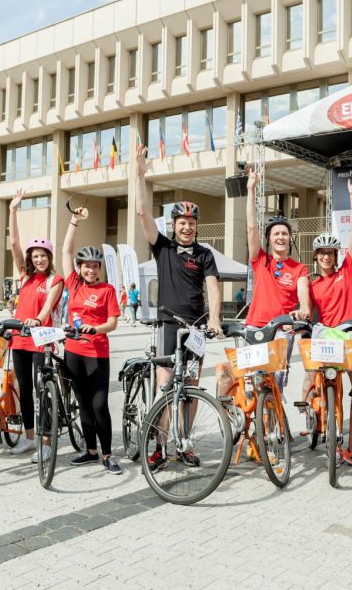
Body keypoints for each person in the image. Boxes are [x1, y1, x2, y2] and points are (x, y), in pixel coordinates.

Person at [134, 145, 221, 470]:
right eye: (181, 222)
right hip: (168, 326)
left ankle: (185, 443)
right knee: (165, 387)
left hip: (195, 328)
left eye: (191, 222)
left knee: (192, 387)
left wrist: (213, 318)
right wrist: (140, 175)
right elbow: (142, 214)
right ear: (173, 225)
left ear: (196, 225)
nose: (186, 227)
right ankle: (160, 445)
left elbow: (212, 285)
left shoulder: (204, 254)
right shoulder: (164, 248)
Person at [306, 172, 352, 471]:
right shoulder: (309, 284)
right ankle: (329, 437)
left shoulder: (347, 271)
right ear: (316, 256)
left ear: (336, 255)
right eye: (321, 253)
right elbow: (304, 311)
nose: (326, 257)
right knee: (326, 395)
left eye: (330, 253)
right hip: (327, 344)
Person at [60, 207, 122, 474]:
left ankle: (108, 454)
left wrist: (95, 329)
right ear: (80, 267)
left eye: (95, 267)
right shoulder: (73, 284)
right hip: (72, 352)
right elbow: (65, 252)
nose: (91, 271)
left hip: (97, 353)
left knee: (99, 404)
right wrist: (74, 221)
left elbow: (113, 323)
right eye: (87, 266)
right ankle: (91, 451)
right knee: (83, 404)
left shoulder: (106, 290)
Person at [7, 187, 65, 461]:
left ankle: (46, 442)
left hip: (41, 339)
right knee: (25, 390)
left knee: (43, 391)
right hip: (19, 338)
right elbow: (14, 245)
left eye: (43, 255)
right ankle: (29, 439)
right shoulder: (24, 276)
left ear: (49, 257)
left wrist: (37, 319)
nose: (38, 259)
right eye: (34, 255)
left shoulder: (55, 279)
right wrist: (12, 210)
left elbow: (47, 308)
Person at [244, 169, 310, 388]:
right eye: (276, 234)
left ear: (290, 238)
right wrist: (251, 190)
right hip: (256, 328)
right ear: (269, 239)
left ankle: (273, 422)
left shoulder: (299, 268)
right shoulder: (260, 260)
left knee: (278, 380)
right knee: (254, 382)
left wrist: (302, 309)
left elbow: (303, 294)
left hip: (283, 330)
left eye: (284, 233)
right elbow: (252, 227)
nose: (280, 237)